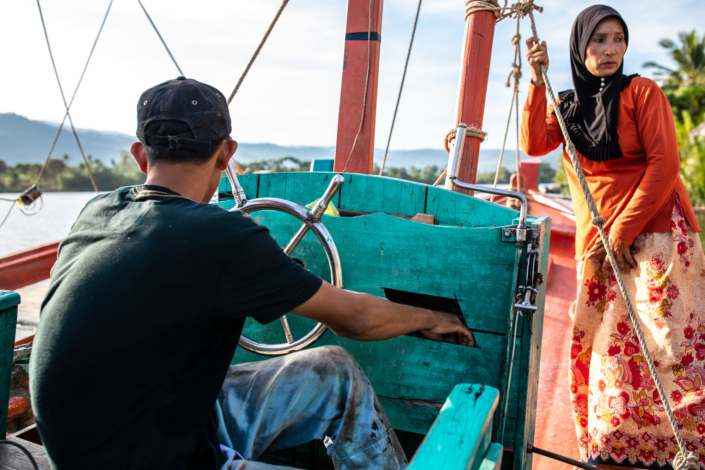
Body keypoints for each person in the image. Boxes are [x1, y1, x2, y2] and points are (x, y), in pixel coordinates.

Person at [29, 77, 474, 470]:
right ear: (226, 155)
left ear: (140, 155)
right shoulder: (223, 237)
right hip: (151, 456)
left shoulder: (99, 210)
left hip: (97, 439)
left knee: (333, 370)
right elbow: (356, 317)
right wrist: (435, 318)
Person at [522, 5, 705, 470]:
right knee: (605, 344)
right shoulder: (566, 107)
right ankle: (621, 445)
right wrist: (537, 81)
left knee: (668, 344)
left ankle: (685, 446)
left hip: (656, 231)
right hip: (598, 243)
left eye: (617, 39)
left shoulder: (642, 93)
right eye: (598, 40)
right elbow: (533, 144)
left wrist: (621, 233)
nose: (609, 50)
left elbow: (665, 164)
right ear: (580, 46)